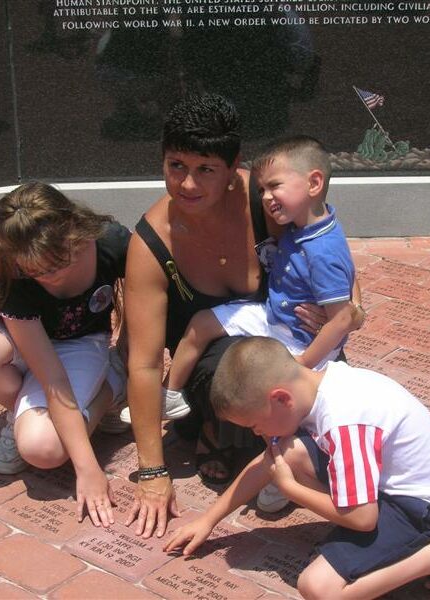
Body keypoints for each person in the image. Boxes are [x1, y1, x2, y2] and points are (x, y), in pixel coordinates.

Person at [122, 93, 364, 539]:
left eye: (205, 170)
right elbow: (143, 363)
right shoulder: (151, 245)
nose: (187, 185)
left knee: (335, 404)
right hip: (213, 367)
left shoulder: (267, 198)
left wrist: (352, 309)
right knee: (251, 367)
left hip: (286, 340)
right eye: (176, 165)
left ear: (234, 166)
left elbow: (328, 247)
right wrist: (152, 472)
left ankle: (257, 445)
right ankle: (218, 429)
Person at [165, 337, 430, 599]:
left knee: (318, 588)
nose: (257, 433)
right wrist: (208, 520)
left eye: (254, 424)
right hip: (385, 487)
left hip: (421, 509)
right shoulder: (323, 380)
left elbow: (363, 519)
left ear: (280, 398)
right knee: (286, 452)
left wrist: (291, 489)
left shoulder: (344, 423)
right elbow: (269, 462)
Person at [0, 182, 130, 528]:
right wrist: (88, 467)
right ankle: (23, 414)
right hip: (20, 339)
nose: (48, 278)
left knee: (42, 450)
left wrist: (87, 470)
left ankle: (112, 385)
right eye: (34, 271)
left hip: (79, 341)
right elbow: (52, 378)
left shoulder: (111, 241)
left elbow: (149, 300)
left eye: (57, 262)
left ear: (74, 230)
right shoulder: (16, 277)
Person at [164, 135, 357, 404]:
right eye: (261, 190)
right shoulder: (300, 224)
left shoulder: (323, 250)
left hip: (300, 341)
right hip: (273, 314)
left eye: (274, 186)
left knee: (274, 400)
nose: (266, 198)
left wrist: (303, 362)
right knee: (203, 322)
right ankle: (170, 395)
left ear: (314, 183)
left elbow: (342, 319)